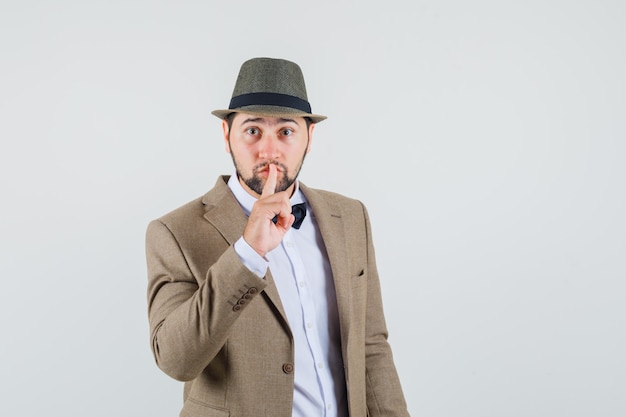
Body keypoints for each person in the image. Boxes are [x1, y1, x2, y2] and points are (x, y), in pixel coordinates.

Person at [145, 57, 410, 417]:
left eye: (286, 132)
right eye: (253, 131)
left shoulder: (350, 217)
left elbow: (372, 347)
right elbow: (176, 360)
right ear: (226, 135)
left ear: (309, 138)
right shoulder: (175, 232)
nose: (269, 151)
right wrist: (247, 253)